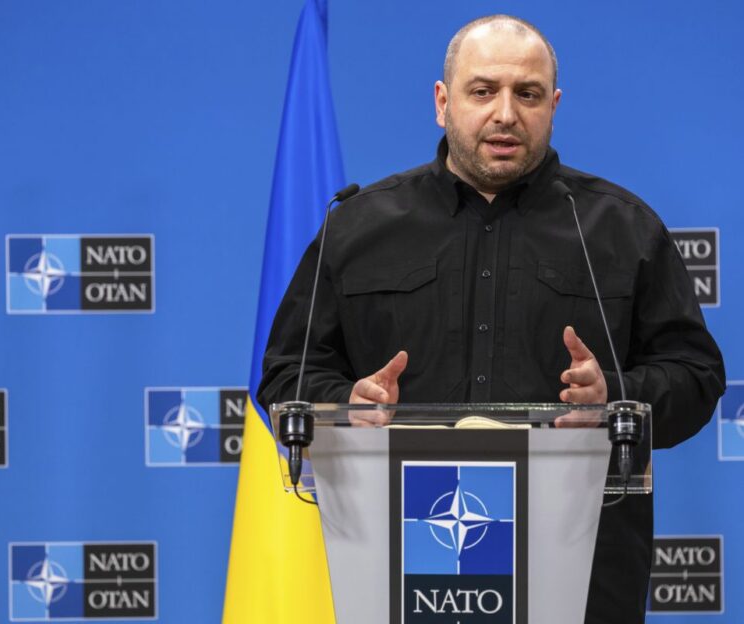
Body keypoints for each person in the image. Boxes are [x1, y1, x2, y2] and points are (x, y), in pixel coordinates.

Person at [257, 14, 725, 623]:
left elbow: (695, 376)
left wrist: (615, 396)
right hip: (402, 565)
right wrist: (347, 403)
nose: (505, 113)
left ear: (553, 106)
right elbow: (286, 374)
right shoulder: (356, 228)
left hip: (579, 569)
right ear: (442, 102)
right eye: (483, 91)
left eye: (527, 94)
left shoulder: (623, 229)